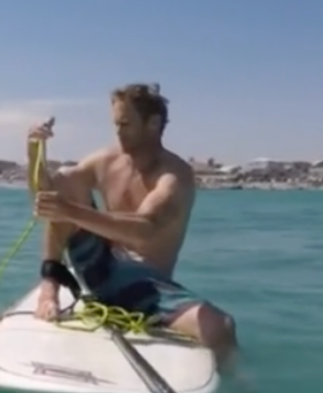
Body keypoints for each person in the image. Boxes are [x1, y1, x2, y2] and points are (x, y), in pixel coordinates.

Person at [27, 83, 237, 366]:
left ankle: (244, 392)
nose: (118, 132)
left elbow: (145, 229)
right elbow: (46, 196)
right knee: (64, 179)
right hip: (98, 268)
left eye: (125, 124)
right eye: (116, 124)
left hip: (149, 289)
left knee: (220, 327)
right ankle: (49, 288)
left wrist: (70, 211)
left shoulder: (174, 176)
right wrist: (33, 151)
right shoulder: (106, 160)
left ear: (153, 124)